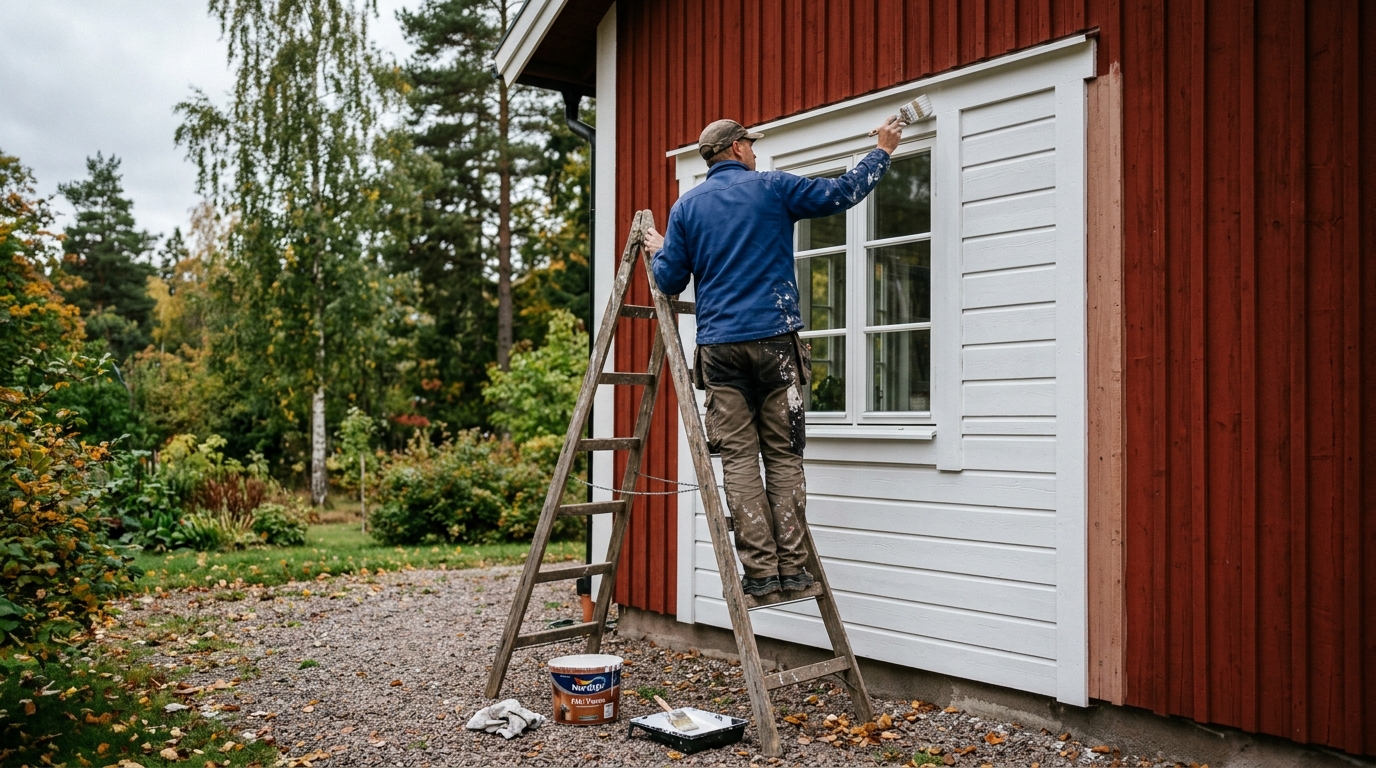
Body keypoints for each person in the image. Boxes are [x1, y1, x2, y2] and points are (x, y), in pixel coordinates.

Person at [645, 116, 903, 597]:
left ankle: (761, 574)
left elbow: (669, 280)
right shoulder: (771, 187)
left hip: (720, 350)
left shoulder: (686, 208)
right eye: (750, 143)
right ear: (736, 148)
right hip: (775, 344)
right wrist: (882, 152)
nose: (755, 151)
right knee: (782, 455)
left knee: (739, 459)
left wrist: (665, 250)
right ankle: (794, 570)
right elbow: (842, 192)